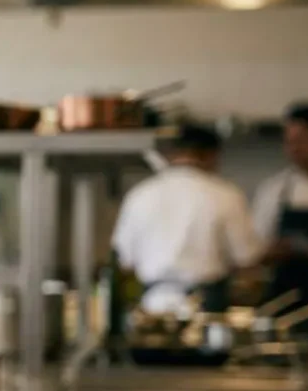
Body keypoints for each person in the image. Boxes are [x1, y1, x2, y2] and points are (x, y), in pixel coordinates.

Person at [112, 124, 266, 314]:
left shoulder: (140, 195)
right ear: (211, 155)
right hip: (206, 307)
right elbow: (247, 257)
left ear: (172, 154)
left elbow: (124, 261)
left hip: (151, 308)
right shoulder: (225, 194)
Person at [251, 102, 308, 342]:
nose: (294, 148)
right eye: (289, 141)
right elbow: (256, 249)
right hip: (288, 306)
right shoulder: (274, 189)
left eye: (302, 140)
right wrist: (275, 250)